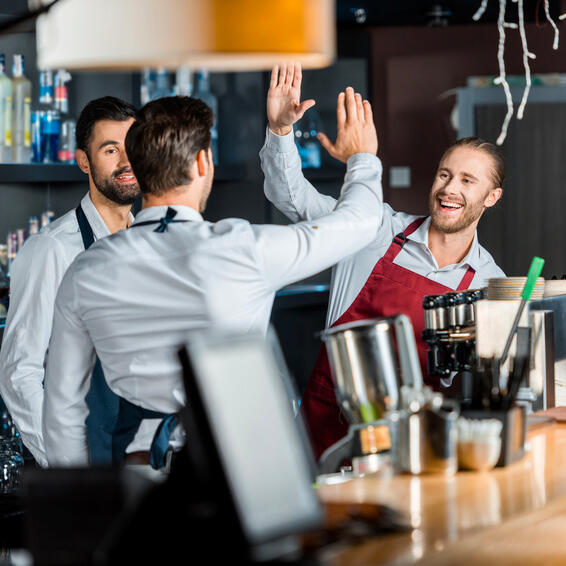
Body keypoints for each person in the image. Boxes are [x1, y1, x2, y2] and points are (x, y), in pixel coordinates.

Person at [42, 72, 382, 469]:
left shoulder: (88, 268)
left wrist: (82, 504)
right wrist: (363, 157)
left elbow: (62, 406)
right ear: (203, 162)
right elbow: (360, 221)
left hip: (138, 470)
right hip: (241, 469)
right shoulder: (242, 249)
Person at [261, 62, 505, 458]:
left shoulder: (488, 285)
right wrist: (280, 131)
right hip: (324, 429)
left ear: (491, 197)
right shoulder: (374, 226)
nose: (449, 189)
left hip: (411, 447)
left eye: (467, 180)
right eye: (445, 175)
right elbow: (291, 197)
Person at [0, 96, 140, 467]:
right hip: (89, 471)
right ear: (84, 160)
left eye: (133, 147)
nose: (127, 162)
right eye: (111, 150)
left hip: (147, 462)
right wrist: (71, 467)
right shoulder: (52, 250)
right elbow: (20, 372)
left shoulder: (152, 240)